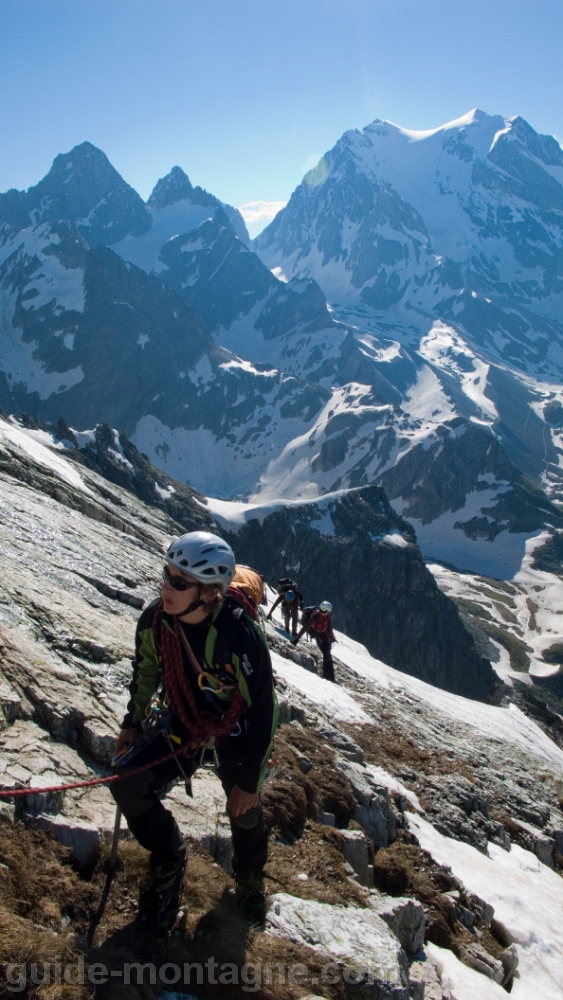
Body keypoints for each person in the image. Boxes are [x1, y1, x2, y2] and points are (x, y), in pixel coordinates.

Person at [111, 531, 278, 932]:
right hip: (185, 720)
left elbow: (263, 709)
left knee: (244, 809)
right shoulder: (155, 621)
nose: (167, 587)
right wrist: (132, 725)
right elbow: (145, 672)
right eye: (167, 576)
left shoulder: (239, 633)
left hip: (233, 729)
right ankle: (169, 855)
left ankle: (250, 878)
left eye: (180, 582)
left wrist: (250, 781)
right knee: (127, 782)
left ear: (208, 593)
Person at [293, 601, 336, 682]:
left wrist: (332, 637)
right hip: (319, 637)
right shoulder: (315, 616)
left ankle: (328, 675)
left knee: (327, 654)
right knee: (327, 654)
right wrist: (296, 639)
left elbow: (329, 626)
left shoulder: (326, 616)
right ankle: (329, 676)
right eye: (327, 611)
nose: (327, 613)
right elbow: (305, 627)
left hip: (324, 635)